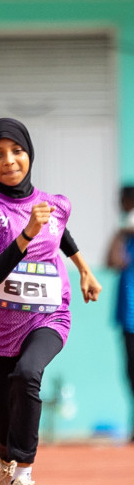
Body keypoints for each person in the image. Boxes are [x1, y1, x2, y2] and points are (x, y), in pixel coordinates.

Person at [0, 118, 100, 485]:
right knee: (4, 424)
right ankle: (4, 451)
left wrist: (84, 270)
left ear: (29, 153)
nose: (9, 160)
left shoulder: (54, 204)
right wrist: (24, 234)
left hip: (49, 317)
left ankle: (24, 477)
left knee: (29, 373)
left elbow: (61, 232)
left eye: (17, 150)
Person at [106, 185, 134, 442]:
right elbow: (111, 261)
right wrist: (120, 232)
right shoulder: (125, 235)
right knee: (131, 371)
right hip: (128, 315)